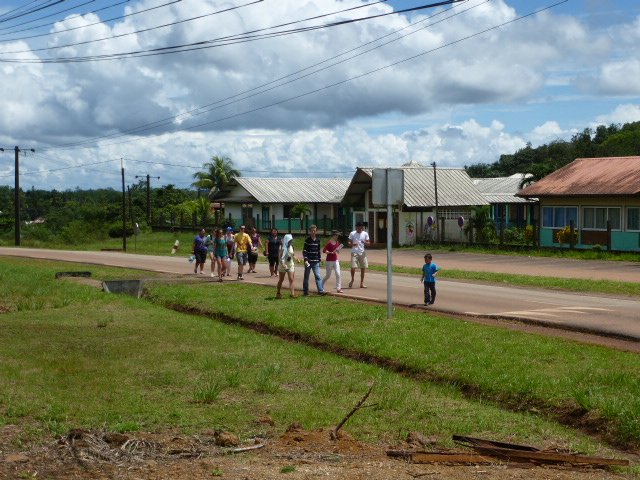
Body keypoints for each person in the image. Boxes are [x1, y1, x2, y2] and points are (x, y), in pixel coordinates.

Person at [302, 225, 326, 296]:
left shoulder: (318, 240)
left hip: (316, 262)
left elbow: (318, 251)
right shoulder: (307, 240)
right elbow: (304, 251)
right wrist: (306, 260)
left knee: (318, 276)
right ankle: (305, 292)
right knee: (306, 277)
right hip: (308, 262)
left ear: (316, 231)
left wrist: (319, 260)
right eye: (312, 231)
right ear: (310, 231)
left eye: (314, 231)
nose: (313, 232)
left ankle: (320, 291)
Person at [348, 222, 370, 288]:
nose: (359, 229)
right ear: (356, 227)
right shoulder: (352, 233)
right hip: (354, 252)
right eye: (358, 228)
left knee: (363, 268)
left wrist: (365, 242)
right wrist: (352, 244)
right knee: (353, 267)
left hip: (362, 252)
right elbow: (349, 242)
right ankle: (352, 279)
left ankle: (362, 283)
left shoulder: (365, 233)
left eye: (361, 228)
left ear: (362, 228)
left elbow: (369, 243)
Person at [276, 234, 297, 298]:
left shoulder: (291, 246)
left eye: (291, 240)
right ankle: (278, 293)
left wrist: (296, 258)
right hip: (283, 265)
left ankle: (292, 294)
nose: (291, 241)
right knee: (281, 280)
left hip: (290, 265)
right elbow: (280, 258)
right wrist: (283, 264)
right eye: (290, 240)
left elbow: (292, 254)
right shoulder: (282, 247)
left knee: (291, 279)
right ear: (287, 240)